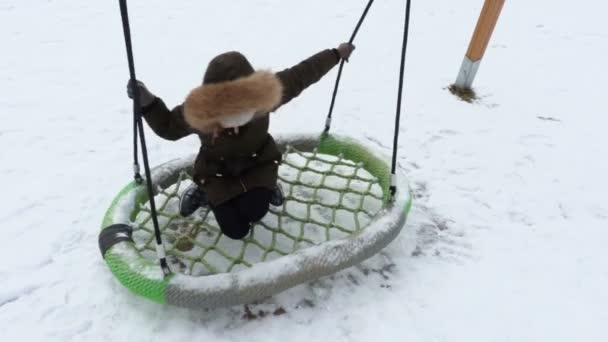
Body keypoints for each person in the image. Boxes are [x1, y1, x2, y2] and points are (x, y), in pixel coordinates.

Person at [127, 42, 356, 240]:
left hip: (258, 163)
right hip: (216, 172)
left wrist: (335, 54)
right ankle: (204, 192)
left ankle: (267, 186)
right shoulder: (199, 113)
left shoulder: (266, 95)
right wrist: (147, 102)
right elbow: (168, 127)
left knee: (255, 212)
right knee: (236, 231)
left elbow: (303, 73)